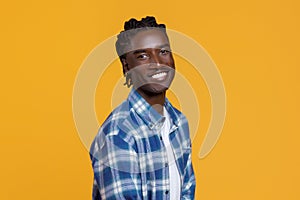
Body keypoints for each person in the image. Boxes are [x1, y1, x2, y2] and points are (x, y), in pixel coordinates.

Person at [90, 16, 196, 200]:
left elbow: (187, 191)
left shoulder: (179, 123)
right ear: (126, 66)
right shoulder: (117, 134)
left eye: (163, 51)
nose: (157, 62)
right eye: (143, 56)